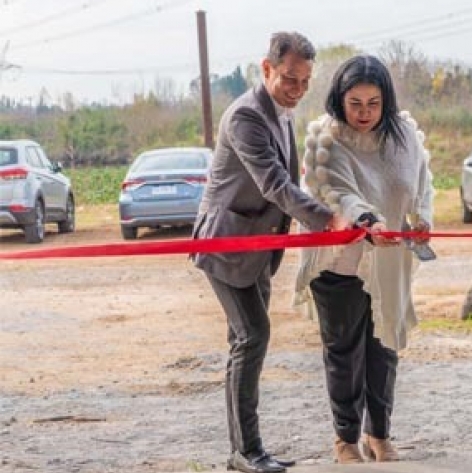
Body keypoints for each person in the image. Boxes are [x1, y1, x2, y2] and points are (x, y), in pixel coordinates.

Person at [192, 31, 348, 473]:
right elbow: (274, 185)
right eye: (289, 80)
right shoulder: (245, 116)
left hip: (260, 247)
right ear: (266, 69)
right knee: (252, 336)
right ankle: (246, 452)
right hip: (226, 244)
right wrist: (325, 219)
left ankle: (243, 449)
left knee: (243, 341)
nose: (297, 90)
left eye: (304, 82)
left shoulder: (282, 113)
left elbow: (290, 181)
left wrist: (322, 212)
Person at [294, 55, 434, 464]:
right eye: (355, 103)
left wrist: (422, 216)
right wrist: (368, 220)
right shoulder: (326, 139)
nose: (365, 113)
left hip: (389, 261)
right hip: (339, 262)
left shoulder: (404, 134)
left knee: (384, 347)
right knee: (344, 352)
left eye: (374, 103)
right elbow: (335, 191)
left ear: (386, 101)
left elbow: (423, 181)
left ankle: (380, 435)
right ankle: (345, 439)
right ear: (339, 98)